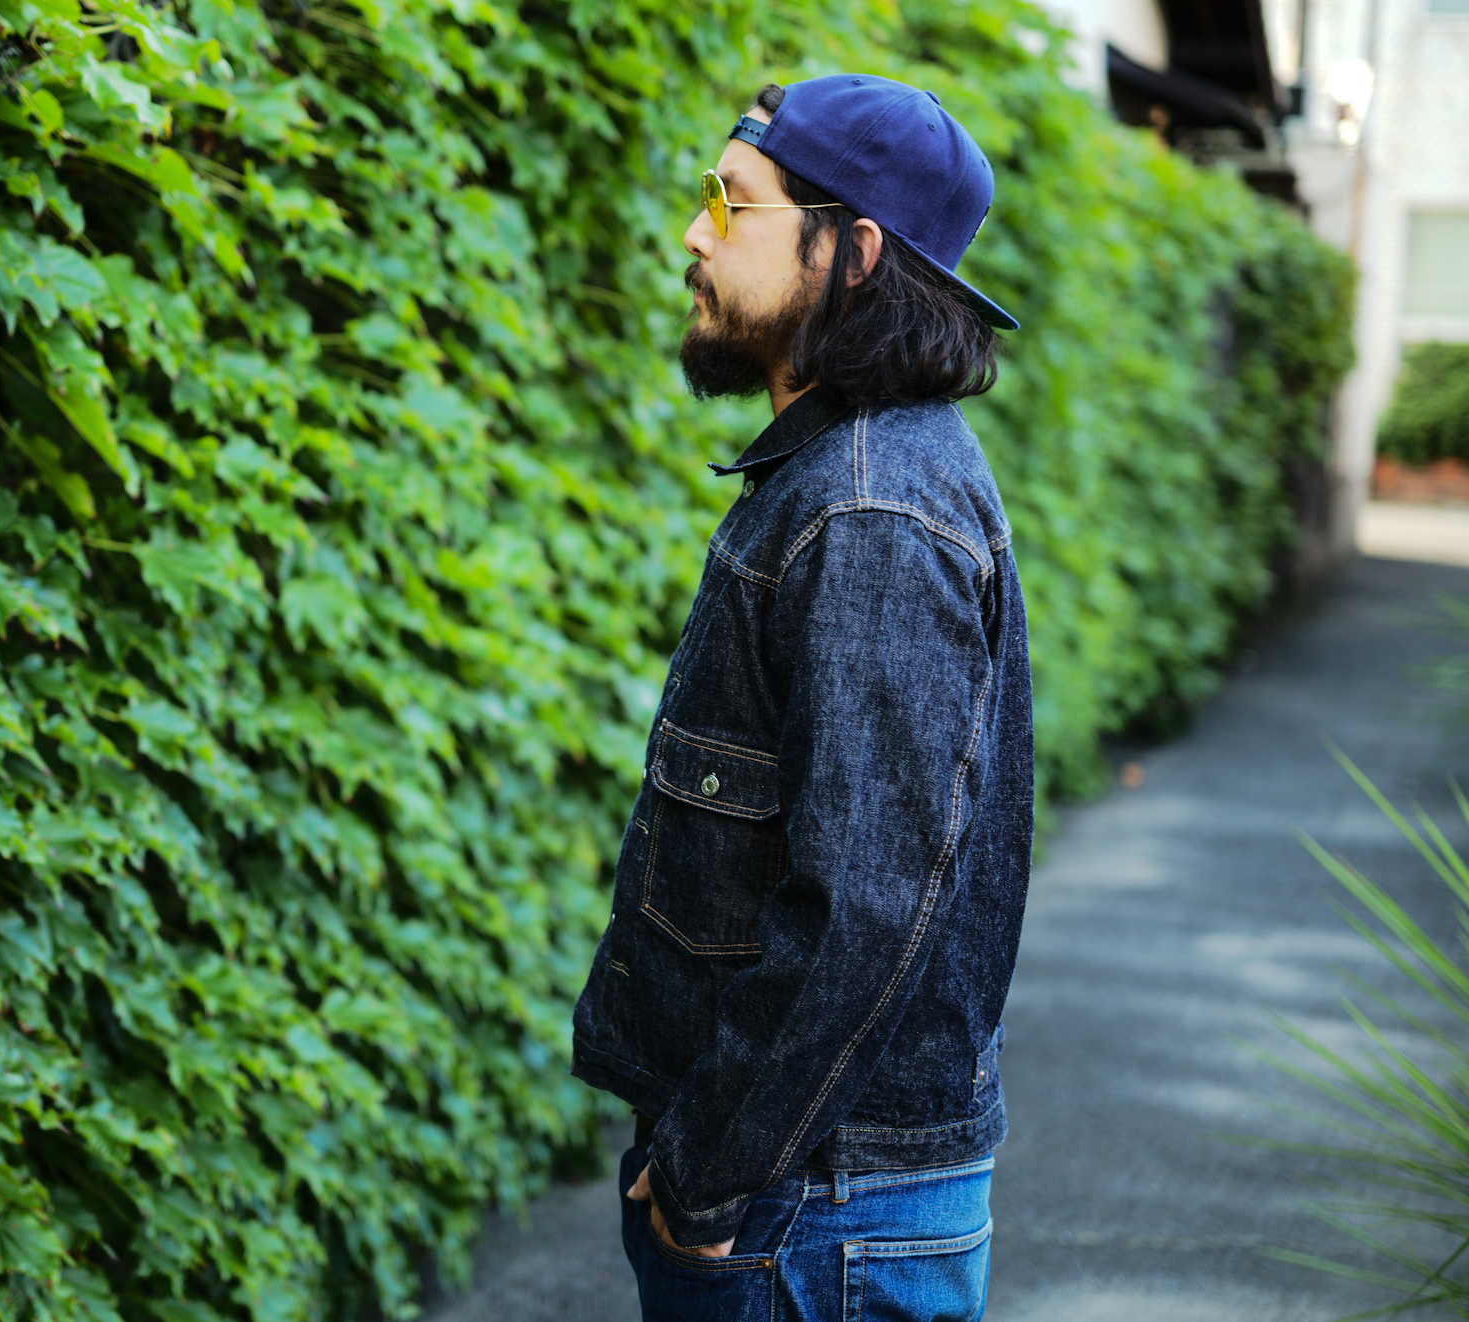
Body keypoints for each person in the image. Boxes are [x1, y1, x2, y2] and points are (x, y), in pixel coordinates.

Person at [569, 74, 1035, 1322]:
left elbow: (861, 904)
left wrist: (702, 1183)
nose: (694, 231)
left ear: (854, 253)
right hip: (806, 1203)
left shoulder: (870, 507)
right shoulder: (844, 472)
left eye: (733, 201)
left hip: (812, 1219)